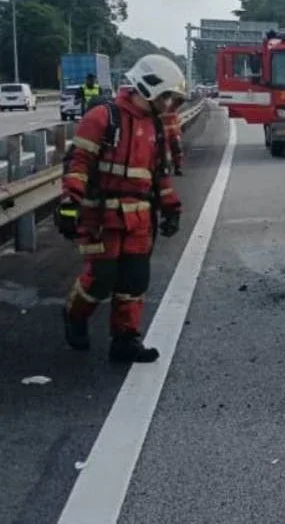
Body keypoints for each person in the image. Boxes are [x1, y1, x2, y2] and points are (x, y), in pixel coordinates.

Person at [58, 54, 186, 363]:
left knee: (134, 280)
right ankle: (75, 314)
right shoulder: (103, 117)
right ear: (150, 89)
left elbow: (161, 173)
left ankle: (125, 340)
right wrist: (69, 203)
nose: (170, 104)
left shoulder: (156, 125)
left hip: (139, 218)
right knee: (101, 279)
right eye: (167, 96)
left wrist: (171, 207)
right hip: (101, 216)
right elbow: (79, 164)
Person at [161, 97, 185, 176]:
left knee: (177, 151)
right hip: (164, 133)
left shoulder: (173, 104)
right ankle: (166, 169)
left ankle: (177, 167)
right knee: (165, 153)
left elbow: (181, 99)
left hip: (174, 133)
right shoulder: (159, 105)